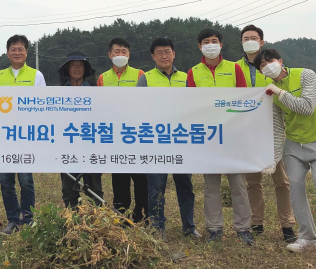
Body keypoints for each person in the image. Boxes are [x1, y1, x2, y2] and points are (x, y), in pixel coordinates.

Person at [255, 49, 316, 259]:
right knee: (296, 187)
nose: (268, 66)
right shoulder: (271, 91)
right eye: (262, 66)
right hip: (294, 145)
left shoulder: (306, 75)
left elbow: (307, 107)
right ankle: (306, 238)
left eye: (271, 61)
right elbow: (277, 127)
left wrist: (279, 92)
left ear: (281, 61)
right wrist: (274, 159)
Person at [186, 29, 254, 245]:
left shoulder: (234, 68)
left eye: (214, 41)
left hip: (233, 137)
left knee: (239, 185)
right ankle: (214, 229)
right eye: (206, 42)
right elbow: (191, 105)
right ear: (200, 46)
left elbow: (244, 99)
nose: (210, 45)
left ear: (221, 45)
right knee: (211, 186)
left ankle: (244, 229)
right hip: (208, 137)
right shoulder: (193, 72)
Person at [237, 25, 296, 243]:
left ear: (262, 42)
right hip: (247, 131)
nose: (249, 41)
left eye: (254, 38)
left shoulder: (273, 66)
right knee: (252, 182)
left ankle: (287, 225)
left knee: (282, 181)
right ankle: (256, 223)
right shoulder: (234, 68)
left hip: (274, 130)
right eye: (245, 38)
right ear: (241, 42)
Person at [137, 38, 200, 239]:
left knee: (186, 187)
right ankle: (157, 228)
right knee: (156, 188)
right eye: (159, 53)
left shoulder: (187, 77)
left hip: (182, 140)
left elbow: (196, 105)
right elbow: (138, 109)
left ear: (174, 54)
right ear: (153, 56)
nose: (164, 56)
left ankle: (189, 227)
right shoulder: (145, 79)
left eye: (167, 51)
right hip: (156, 142)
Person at [0, 35, 45, 235]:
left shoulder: (36, 76)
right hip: (4, 137)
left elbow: (43, 105)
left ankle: (28, 219)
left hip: (26, 137)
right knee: (6, 181)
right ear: (7, 53)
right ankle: (13, 220)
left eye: (20, 49)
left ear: (26, 52)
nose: (16, 52)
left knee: (26, 181)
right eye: (13, 49)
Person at [97, 38, 148, 224]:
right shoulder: (103, 78)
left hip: (136, 135)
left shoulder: (140, 74)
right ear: (110, 55)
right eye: (116, 52)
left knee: (141, 179)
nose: (120, 55)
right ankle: (120, 215)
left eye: (124, 51)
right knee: (119, 179)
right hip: (115, 137)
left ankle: (140, 214)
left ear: (129, 54)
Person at [57, 52, 103, 208]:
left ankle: (97, 221)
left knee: (94, 187)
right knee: (68, 188)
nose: (77, 69)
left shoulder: (95, 91)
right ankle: (73, 222)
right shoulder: (59, 93)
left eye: (80, 66)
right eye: (73, 65)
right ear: (68, 69)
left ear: (85, 69)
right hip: (67, 144)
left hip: (90, 144)